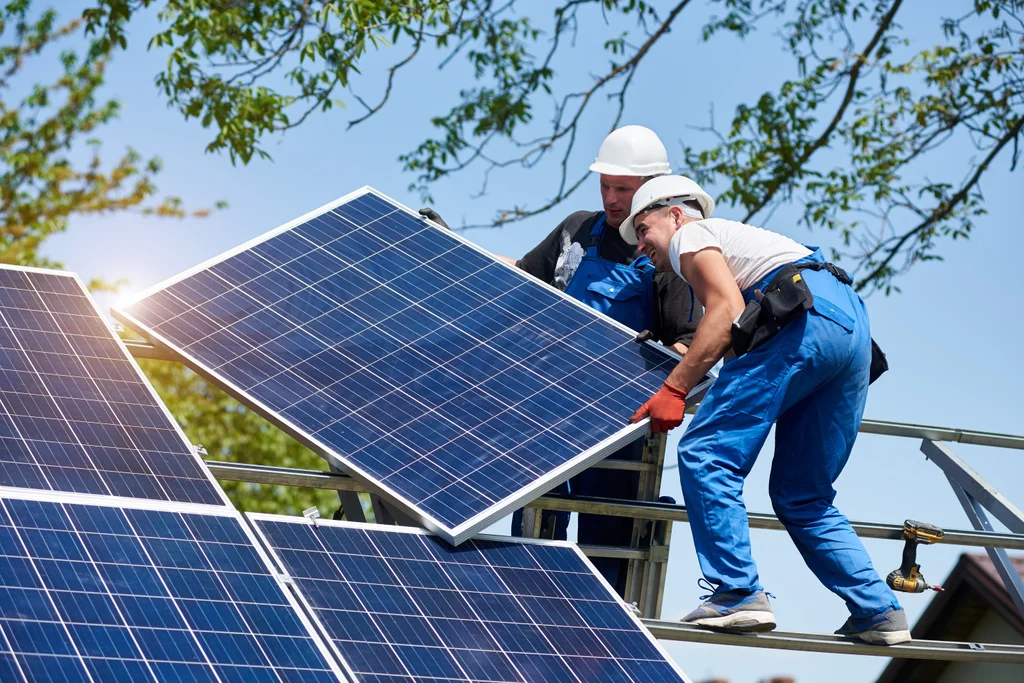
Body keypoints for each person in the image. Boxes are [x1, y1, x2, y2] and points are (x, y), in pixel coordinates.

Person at [619, 175, 909, 645]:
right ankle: (878, 611)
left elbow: (724, 309)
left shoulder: (691, 236)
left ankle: (737, 592)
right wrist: (699, 369)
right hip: (847, 326)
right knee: (803, 495)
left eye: (644, 229)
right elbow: (738, 339)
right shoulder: (745, 248)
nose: (641, 247)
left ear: (675, 214)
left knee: (706, 454)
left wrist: (675, 387)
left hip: (803, 318)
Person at [422, 126, 703, 594]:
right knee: (533, 538)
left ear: (653, 190)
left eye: (624, 190)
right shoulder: (576, 229)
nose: (613, 199)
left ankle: (601, 644)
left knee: (604, 556)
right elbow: (520, 278)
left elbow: (690, 343)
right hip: (547, 414)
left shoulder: (665, 253)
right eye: (606, 185)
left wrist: (648, 369)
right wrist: (456, 250)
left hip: (618, 434)